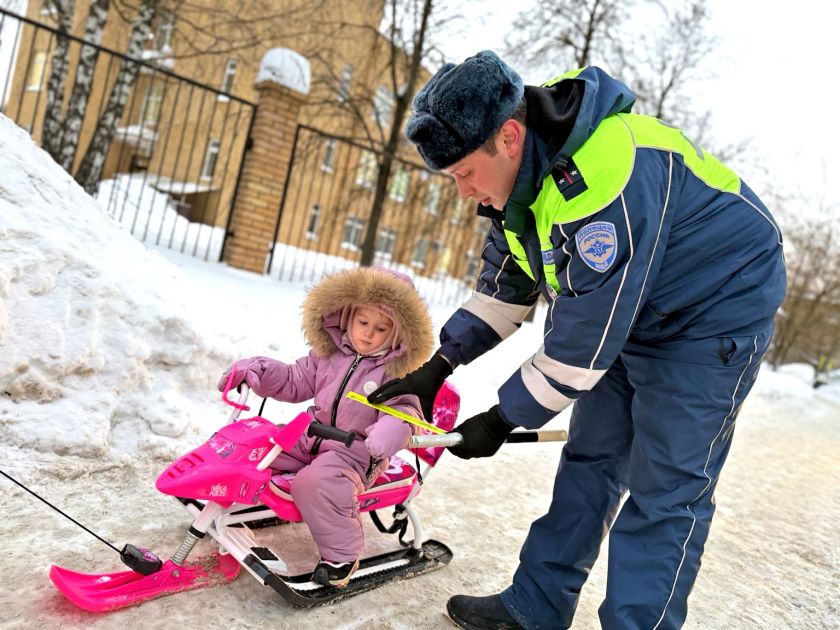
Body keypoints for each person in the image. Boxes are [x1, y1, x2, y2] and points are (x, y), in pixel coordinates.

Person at [368, 51, 786, 629]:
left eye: (464, 172)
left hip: (711, 311)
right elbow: (506, 284)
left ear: (508, 137)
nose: (463, 191)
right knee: (591, 457)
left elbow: (580, 347)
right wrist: (439, 365)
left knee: (667, 488)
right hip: (631, 307)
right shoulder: (522, 181)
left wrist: (502, 419)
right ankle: (535, 607)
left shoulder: (601, 180)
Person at [219, 266, 433, 588]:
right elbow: (294, 379)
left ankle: (341, 556)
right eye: (363, 322)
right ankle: (223, 497)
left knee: (316, 482)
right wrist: (259, 371)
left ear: (399, 333)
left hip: (355, 454)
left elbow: (406, 411)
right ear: (347, 316)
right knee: (258, 445)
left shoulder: (397, 374)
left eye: (381, 328)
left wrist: (393, 429)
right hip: (310, 436)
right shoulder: (330, 355)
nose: (368, 333)